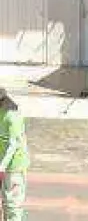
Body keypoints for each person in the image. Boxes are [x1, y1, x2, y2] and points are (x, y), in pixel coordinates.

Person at [0, 89, 28, 221]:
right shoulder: (1, 113)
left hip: (15, 166)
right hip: (4, 166)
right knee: (6, 203)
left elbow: (13, 144)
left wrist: (2, 167)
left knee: (13, 205)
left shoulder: (13, 115)